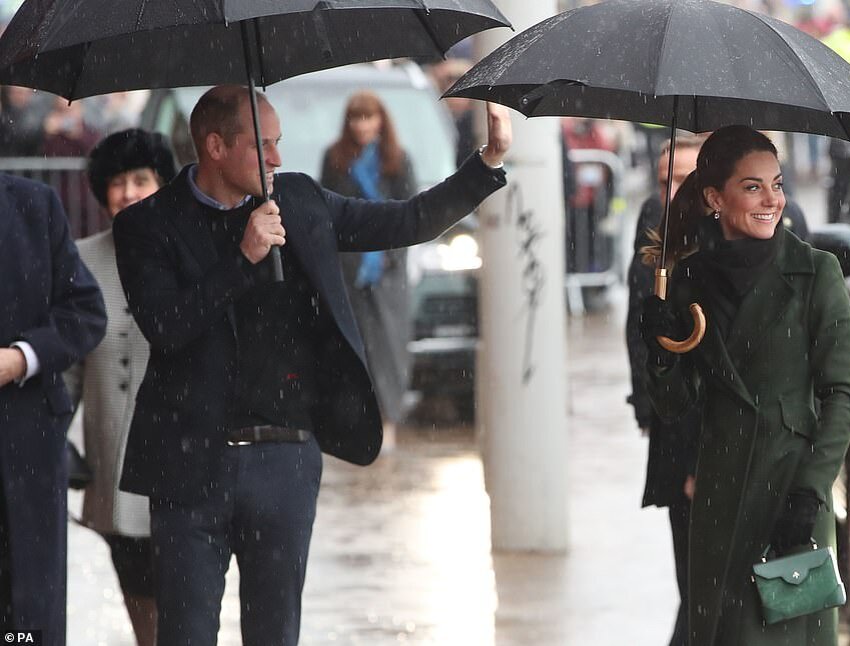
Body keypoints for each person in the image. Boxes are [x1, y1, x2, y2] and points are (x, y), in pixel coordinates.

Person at [111, 85, 511, 646]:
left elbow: (408, 221)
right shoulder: (145, 225)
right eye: (263, 145)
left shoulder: (298, 201)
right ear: (216, 147)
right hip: (187, 465)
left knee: (276, 635)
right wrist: (241, 258)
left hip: (285, 461)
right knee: (185, 634)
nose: (277, 157)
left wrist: (487, 163)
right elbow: (167, 326)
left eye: (279, 143)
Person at [638, 125, 850, 645]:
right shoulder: (689, 280)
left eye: (777, 184)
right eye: (753, 186)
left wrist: (808, 491)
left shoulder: (815, 274)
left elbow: (843, 397)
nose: (772, 199)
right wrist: (660, 349)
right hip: (718, 499)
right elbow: (674, 403)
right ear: (715, 197)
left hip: (792, 498)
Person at [64, 128, 177, 646]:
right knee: (139, 602)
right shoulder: (79, 261)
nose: (129, 192)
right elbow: (68, 367)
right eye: (118, 183)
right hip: (112, 469)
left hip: (181, 467)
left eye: (140, 179)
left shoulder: (187, 255)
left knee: (187, 603)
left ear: (162, 183)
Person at [0, 174, 107, 644]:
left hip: (25, 450)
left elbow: (84, 311)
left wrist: (21, 357)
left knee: (27, 624)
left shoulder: (33, 205)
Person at [625, 132, 705, 646]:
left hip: (731, 452)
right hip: (677, 432)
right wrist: (646, 399)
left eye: (683, 180)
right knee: (694, 587)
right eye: (663, 181)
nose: (668, 192)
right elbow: (638, 325)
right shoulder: (656, 227)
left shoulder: (744, 248)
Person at [320, 92, 415, 445]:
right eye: (356, 118)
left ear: (380, 120)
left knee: (389, 348)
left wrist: (391, 257)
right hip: (348, 270)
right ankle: (357, 424)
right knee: (352, 348)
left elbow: (410, 213)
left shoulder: (398, 160)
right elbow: (325, 213)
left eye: (368, 117)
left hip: (388, 272)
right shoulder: (334, 159)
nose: (362, 125)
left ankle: (388, 421)